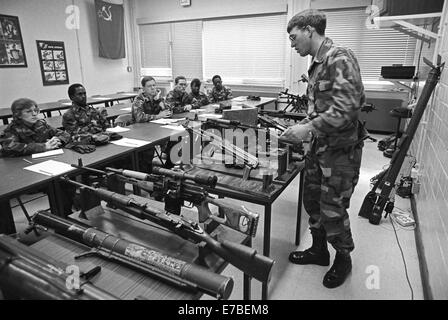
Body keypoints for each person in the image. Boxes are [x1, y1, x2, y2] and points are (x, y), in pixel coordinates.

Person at [281, 9, 366, 289]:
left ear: (309, 30)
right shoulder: (316, 64)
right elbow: (320, 109)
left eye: (294, 37)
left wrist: (306, 129)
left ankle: (343, 258)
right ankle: (319, 251)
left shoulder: (340, 58)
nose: (292, 44)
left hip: (340, 153)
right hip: (318, 150)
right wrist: (300, 127)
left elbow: (347, 109)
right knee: (313, 202)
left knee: (334, 208)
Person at [1, 98, 70, 156]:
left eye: (35, 111)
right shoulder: (12, 129)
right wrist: (44, 146)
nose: (34, 114)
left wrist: (57, 141)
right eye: (28, 112)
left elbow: (64, 134)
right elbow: (10, 148)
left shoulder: (40, 124)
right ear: (18, 115)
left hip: (45, 157)